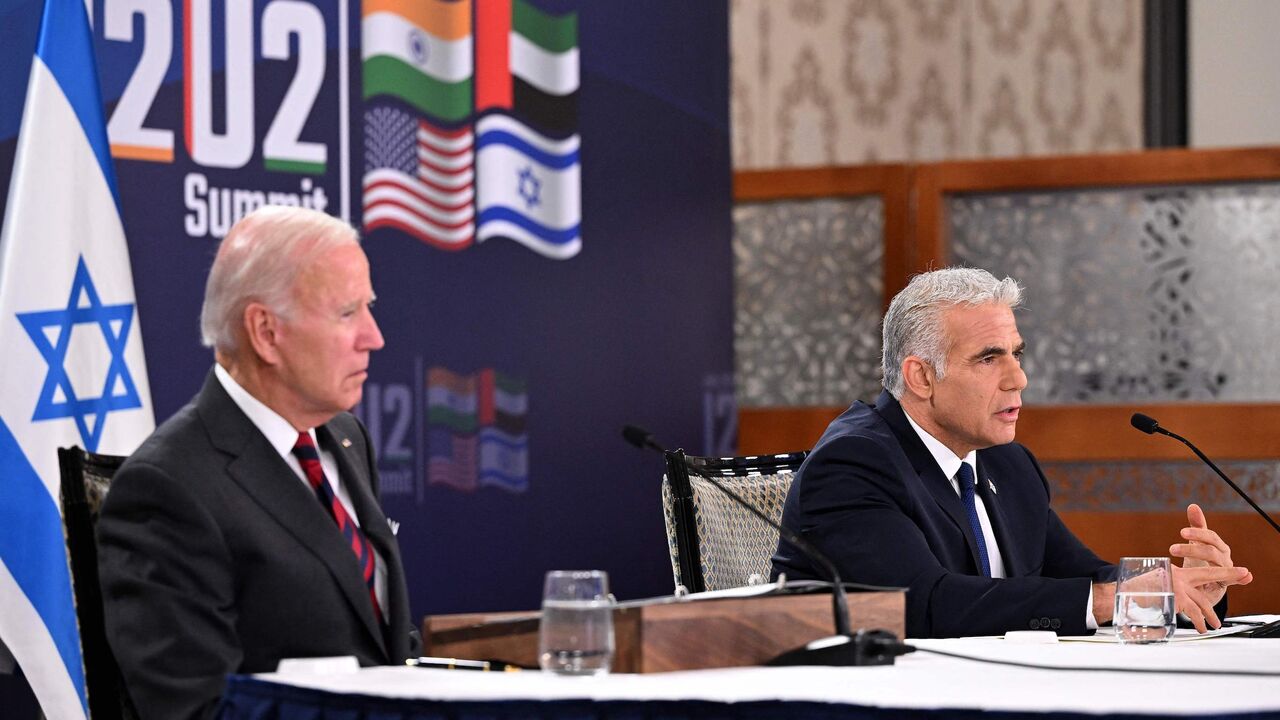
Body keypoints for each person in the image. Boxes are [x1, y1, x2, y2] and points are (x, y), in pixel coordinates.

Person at [771, 267, 1253, 638]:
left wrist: (1176, 590)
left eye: (1016, 354)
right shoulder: (853, 464)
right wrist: (1113, 599)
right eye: (988, 358)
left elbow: (1087, 576)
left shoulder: (1006, 461)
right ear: (921, 377)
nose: (1017, 378)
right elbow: (922, 605)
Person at [98, 206, 418, 719]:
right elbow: (195, 709)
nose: (374, 336)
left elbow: (378, 642)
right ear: (266, 332)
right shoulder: (167, 488)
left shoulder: (345, 437)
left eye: (369, 307)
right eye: (347, 313)